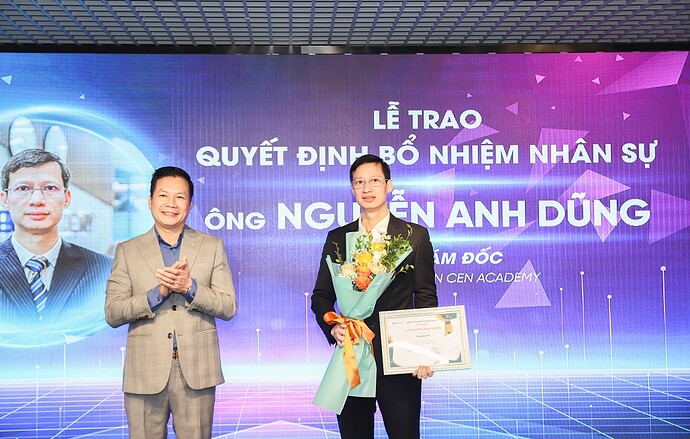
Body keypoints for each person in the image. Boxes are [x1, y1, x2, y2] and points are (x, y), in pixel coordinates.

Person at [311, 154, 438, 439]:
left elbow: (426, 298)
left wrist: (425, 351)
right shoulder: (337, 238)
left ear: (388, 185)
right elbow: (320, 296)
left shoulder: (414, 236)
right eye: (359, 182)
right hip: (353, 354)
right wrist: (333, 326)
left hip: (399, 358)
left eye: (374, 181)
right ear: (352, 189)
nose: (367, 188)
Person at [105, 166, 237, 439]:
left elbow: (227, 306)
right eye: (164, 195)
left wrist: (189, 288)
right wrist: (158, 294)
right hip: (144, 371)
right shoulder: (127, 250)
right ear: (150, 200)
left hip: (197, 371)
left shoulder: (211, 246)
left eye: (180, 197)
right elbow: (113, 312)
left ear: (190, 204)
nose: (171, 204)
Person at [0, 148, 112, 341]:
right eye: (23, 188)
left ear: (67, 198)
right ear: (5, 199)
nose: (37, 200)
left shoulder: (104, 271)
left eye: (50, 188)